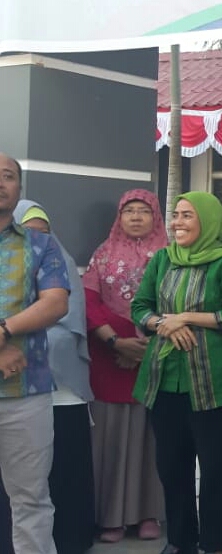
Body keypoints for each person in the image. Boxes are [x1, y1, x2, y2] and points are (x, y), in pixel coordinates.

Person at [132, 191, 222, 554]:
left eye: (187, 215)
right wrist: (162, 324)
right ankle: (180, 540)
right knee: (172, 467)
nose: (177, 223)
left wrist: (184, 318)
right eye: (175, 215)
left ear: (208, 219)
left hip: (213, 382)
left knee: (216, 467)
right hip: (164, 380)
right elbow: (140, 307)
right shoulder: (163, 259)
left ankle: (217, 543)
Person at [84, 189, 167, 544]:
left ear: (155, 217)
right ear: (119, 217)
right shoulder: (102, 255)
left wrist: (144, 349)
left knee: (151, 439)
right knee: (112, 439)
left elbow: (177, 304)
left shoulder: (169, 256)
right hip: (110, 358)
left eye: (143, 211)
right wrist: (116, 342)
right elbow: (88, 302)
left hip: (156, 357)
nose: (135, 217)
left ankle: (149, 513)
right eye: (129, 211)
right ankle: (112, 517)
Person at [0, 154, 71, 554]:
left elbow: (56, 303)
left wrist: (4, 330)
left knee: (30, 500)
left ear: (19, 189)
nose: (0, 182)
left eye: (8, 176)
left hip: (25, 393)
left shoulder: (41, 244)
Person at [15, 201, 94, 554]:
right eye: (28, 231)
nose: (37, 239)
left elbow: (68, 322)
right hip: (16, 390)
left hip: (63, 391)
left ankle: (71, 539)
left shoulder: (59, 263)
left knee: (64, 469)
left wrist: (24, 339)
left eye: (43, 232)